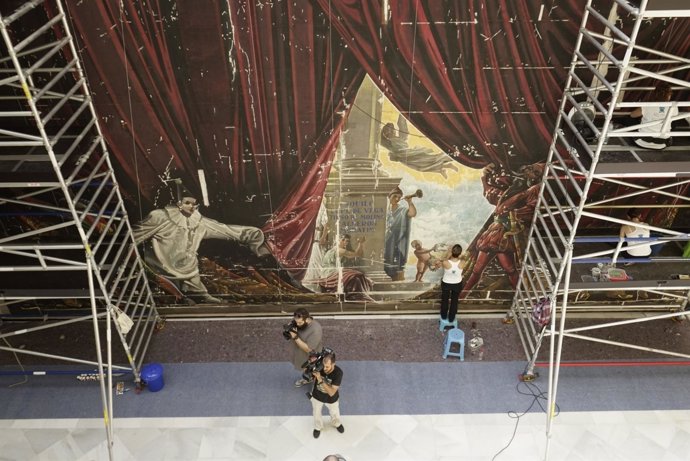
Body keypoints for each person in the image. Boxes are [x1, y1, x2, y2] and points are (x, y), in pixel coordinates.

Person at [133, 193, 270, 304]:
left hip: (188, 269)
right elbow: (133, 237)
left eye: (194, 204)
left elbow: (225, 230)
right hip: (160, 267)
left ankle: (199, 294)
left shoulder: (199, 221)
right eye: (187, 202)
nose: (191, 207)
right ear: (178, 202)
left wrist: (253, 235)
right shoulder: (159, 217)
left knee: (200, 293)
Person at [460, 162, 542, 299]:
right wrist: (484, 178)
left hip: (505, 233)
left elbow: (531, 208)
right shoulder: (510, 191)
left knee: (509, 269)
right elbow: (492, 195)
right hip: (493, 232)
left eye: (533, 170)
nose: (528, 170)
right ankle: (462, 296)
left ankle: (521, 297)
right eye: (528, 168)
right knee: (477, 269)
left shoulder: (533, 190)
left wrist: (515, 214)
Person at [380, 114, 459, 178]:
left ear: (392, 131)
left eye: (390, 131)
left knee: (430, 160)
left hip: (412, 155)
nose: (389, 134)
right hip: (406, 159)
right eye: (387, 133)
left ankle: (450, 158)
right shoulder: (389, 143)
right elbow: (380, 140)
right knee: (421, 168)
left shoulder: (400, 138)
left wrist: (401, 114)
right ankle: (442, 169)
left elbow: (402, 125)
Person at [618, 82, 678, 150]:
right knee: (673, 120)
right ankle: (669, 138)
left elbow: (632, 115)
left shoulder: (648, 105)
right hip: (662, 144)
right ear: (669, 95)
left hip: (642, 142)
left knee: (630, 119)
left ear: (655, 94)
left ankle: (614, 123)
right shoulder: (674, 106)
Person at [318, 234, 374, 301]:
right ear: (339, 240)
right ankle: (357, 295)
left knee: (355, 274)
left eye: (347, 241)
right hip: (330, 273)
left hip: (326, 272)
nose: (346, 243)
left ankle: (357, 293)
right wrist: (360, 243)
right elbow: (357, 254)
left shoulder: (332, 250)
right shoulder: (339, 250)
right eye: (344, 241)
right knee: (357, 275)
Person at [384, 186, 418, 281]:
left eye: (399, 197)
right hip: (385, 239)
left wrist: (410, 202)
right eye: (395, 196)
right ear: (389, 196)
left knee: (396, 259)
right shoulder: (384, 209)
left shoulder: (402, 209)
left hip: (397, 239)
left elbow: (412, 213)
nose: (397, 199)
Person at [310, 351, 344, 439]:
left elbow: (332, 392)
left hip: (331, 398)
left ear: (333, 364)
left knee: (335, 412)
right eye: (323, 365)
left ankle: (337, 423)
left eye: (327, 366)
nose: (324, 368)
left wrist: (320, 379)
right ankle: (318, 427)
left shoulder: (338, 373)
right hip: (317, 395)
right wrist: (310, 365)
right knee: (316, 413)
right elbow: (308, 372)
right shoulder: (320, 366)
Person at [289, 307, 323, 388]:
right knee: (304, 367)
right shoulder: (298, 320)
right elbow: (295, 323)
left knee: (312, 370)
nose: (297, 325)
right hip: (299, 352)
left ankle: (318, 385)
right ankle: (309, 379)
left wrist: (295, 337)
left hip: (310, 355)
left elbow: (308, 349)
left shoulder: (316, 329)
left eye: (300, 323)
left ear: (307, 319)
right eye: (296, 322)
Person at [439, 244, 464, 330]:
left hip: (446, 283)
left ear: (451, 252)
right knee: (454, 301)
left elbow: (444, 258)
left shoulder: (445, 262)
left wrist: (449, 252)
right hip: (457, 283)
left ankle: (443, 316)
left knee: (445, 300)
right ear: (460, 253)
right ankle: (451, 318)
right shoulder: (463, 262)